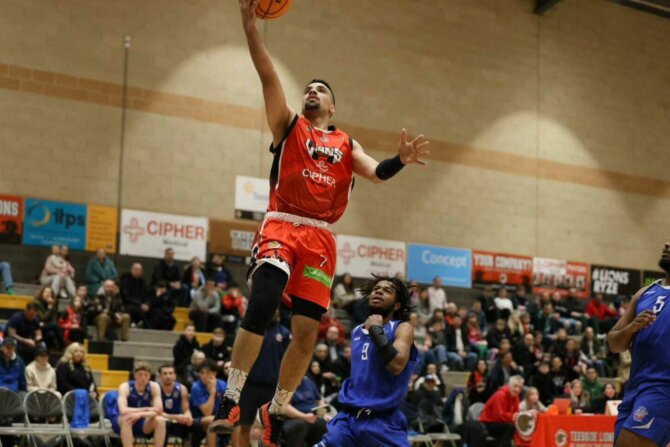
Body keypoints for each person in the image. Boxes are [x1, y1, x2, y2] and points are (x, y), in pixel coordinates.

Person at [210, 1, 429, 441]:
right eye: (308, 87)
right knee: (264, 299)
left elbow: (377, 172)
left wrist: (400, 161)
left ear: (333, 105)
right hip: (282, 223)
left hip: (320, 239)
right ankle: (232, 396)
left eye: (320, 89)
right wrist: (249, 25)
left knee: (307, 332)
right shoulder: (288, 126)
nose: (312, 91)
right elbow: (268, 75)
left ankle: (275, 407)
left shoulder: (347, 143)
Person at [314, 276, 416, 447]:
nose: (378, 291)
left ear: (397, 305)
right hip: (348, 418)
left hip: (381, 421)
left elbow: (396, 365)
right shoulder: (356, 332)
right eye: (376, 288)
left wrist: (376, 329)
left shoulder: (402, 328)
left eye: (387, 290)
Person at [610, 240, 670, 447]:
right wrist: (632, 327)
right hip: (635, 388)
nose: (667, 244)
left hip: (663, 388)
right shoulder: (645, 293)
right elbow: (614, 343)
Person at [235, 311, 291, 447]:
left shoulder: (284, 333)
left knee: (269, 428)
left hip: (272, 387)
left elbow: (289, 362)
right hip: (249, 385)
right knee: (245, 425)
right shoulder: (251, 330)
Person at [118, 362, 166, 447]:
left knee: (160, 420)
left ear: (149, 376)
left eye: (146, 375)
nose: (143, 378)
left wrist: (139, 414)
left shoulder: (154, 386)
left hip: (143, 421)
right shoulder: (125, 386)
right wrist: (147, 408)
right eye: (140, 375)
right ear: (135, 375)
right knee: (126, 419)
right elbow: (123, 410)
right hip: (126, 420)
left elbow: (158, 410)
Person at [476, 375, 525, 447]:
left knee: (521, 427)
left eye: (520, 388)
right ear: (509, 385)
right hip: (487, 423)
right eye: (515, 386)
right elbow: (498, 417)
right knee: (509, 427)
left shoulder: (516, 396)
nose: (517, 389)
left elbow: (516, 413)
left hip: (502, 422)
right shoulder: (500, 395)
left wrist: (516, 417)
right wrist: (512, 416)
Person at [190, 360, 227, 447]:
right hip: (198, 419)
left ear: (215, 374)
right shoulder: (196, 387)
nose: (204, 376)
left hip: (219, 417)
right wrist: (212, 392)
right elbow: (207, 413)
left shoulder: (222, 385)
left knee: (238, 420)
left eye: (208, 373)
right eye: (202, 373)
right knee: (212, 421)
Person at [158, 364, 193, 440]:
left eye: (170, 373)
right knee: (164, 424)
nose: (168, 376)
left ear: (175, 376)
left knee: (193, 424)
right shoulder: (156, 389)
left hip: (177, 420)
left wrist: (188, 416)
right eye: (165, 373)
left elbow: (186, 409)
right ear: (159, 376)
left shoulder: (182, 388)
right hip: (162, 419)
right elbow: (157, 413)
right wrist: (175, 417)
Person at [32, 285, 66, 352]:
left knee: (50, 334)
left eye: (49, 293)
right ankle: (63, 346)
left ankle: (47, 352)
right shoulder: (36, 303)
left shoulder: (53, 303)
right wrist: (50, 307)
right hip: (37, 327)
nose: (47, 294)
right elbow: (43, 318)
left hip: (48, 326)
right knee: (54, 326)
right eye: (45, 292)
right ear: (41, 293)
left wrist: (52, 306)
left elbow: (54, 318)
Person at [120, 262, 151, 328]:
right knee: (136, 310)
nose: (138, 272)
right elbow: (126, 297)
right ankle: (145, 327)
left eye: (140, 270)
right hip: (129, 304)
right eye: (136, 269)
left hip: (141, 304)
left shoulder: (142, 282)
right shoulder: (126, 280)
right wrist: (140, 304)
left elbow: (146, 295)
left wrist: (147, 304)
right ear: (131, 270)